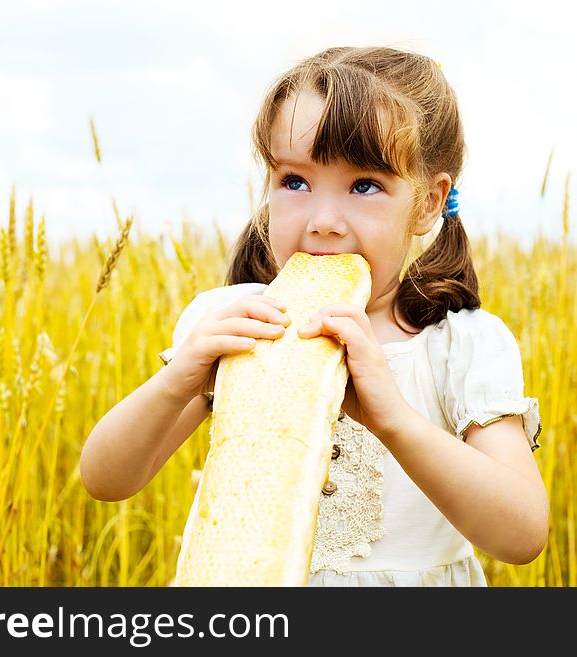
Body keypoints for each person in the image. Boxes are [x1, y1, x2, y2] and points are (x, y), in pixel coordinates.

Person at [80, 45, 548, 586]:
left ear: (427, 203)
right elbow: (105, 479)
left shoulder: (458, 344)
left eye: (365, 185)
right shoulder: (237, 322)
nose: (324, 220)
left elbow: (522, 535)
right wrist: (176, 382)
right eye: (295, 181)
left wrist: (392, 418)